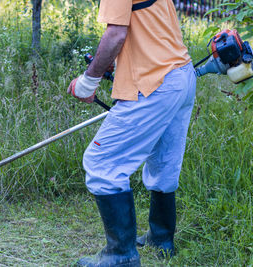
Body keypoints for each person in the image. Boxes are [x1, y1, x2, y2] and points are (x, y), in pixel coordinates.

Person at [67, 0, 196, 266]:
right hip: (180, 74)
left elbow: (116, 33)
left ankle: (120, 256)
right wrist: (118, 61)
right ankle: (161, 238)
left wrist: (88, 80)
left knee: (102, 163)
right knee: (164, 162)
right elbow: (148, 26)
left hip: (155, 84)